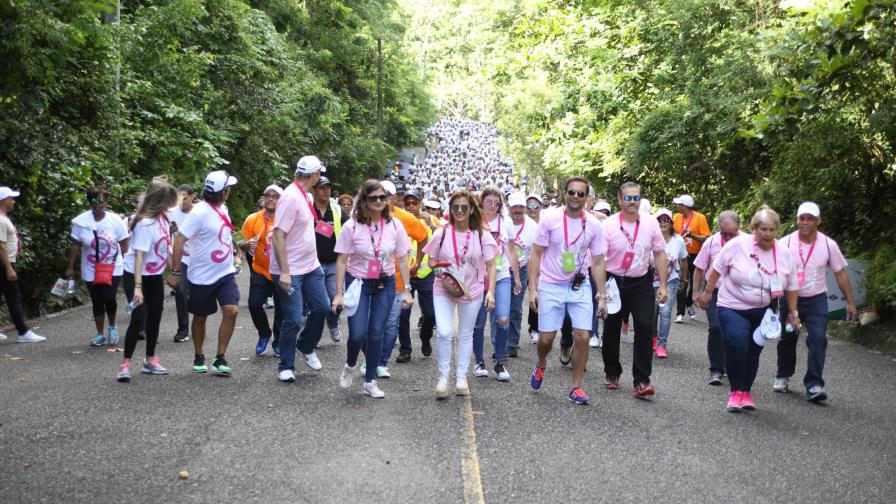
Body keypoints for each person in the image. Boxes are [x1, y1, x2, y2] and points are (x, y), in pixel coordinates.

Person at [696, 205, 800, 413]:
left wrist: (792, 314)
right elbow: (716, 269)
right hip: (731, 305)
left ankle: (746, 392)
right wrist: (707, 293)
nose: (767, 234)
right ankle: (735, 392)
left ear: (777, 230)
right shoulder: (737, 246)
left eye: (772, 230)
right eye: (763, 229)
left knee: (753, 352)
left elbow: (791, 286)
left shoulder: (784, 253)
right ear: (754, 228)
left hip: (764, 311)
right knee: (738, 344)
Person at [528, 177, 608, 405]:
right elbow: (536, 253)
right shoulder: (550, 219)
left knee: (583, 336)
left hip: (579, 285)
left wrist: (602, 296)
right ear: (565, 194)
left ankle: (576, 387)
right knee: (546, 340)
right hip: (551, 285)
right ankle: (541, 364)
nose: (575, 197)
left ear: (586, 197)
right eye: (571, 192)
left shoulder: (593, 225)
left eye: (580, 194)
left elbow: (599, 261)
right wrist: (532, 288)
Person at [331, 180, 413, 398]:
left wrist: (407, 289)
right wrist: (338, 294)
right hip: (358, 282)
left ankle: (370, 381)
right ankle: (350, 364)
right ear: (364, 201)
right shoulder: (352, 226)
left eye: (381, 197)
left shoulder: (395, 225)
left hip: (384, 283)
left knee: (376, 333)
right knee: (357, 334)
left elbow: (403, 259)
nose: (378, 201)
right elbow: (341, 260)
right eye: (373, 198)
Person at [773, 202, 858, 402]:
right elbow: (775, 272)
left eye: (810, 218)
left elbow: (840, 273)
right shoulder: (784, 243)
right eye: (802, 218)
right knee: (787, 337)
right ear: (797, 220)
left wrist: (851, 302)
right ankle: (783, 375)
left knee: (818, 338)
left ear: (818, 221)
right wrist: (774, 299)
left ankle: (814, 384)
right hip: (788, 299)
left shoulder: (828, 244)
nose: (805, 222)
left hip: (816, 300)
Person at [422, 189, 498, 398]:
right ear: (451, 209)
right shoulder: (442, 233)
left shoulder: (481, 235)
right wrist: (437, 268)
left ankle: (461, 378)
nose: (460, 211)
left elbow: (491, 265)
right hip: (444, 287)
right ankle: (443, 378)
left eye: (464, 207)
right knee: (445, 332)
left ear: (472, 208)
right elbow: (431, 260)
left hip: (471, 290)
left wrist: (490, 291)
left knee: (466, 334)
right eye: (456, 207)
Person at [169, 170, 241, 376]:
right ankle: (199, 355)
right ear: (224, 192)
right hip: (201, 276)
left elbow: (226, 234)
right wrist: (175, 272)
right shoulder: (198, 213)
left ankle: (220, 357)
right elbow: (180, 239)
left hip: (225, 273)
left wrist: (237, 251)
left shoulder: (223, 209)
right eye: (229, 189)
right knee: (200, 317)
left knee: (232, 311)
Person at [601, 182, 668, 398]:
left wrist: (664, 285)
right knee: (611, 329)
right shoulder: (609, 225)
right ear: (620, 200)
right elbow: (599, 259)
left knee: (645, 327)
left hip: (641, 282)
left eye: (636, 198)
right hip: (614, 281)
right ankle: (612, 371)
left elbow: (659, 253)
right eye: (628, 198)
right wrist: (601, 291)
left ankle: (642, 379)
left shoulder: (650, 223)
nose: (632, 202)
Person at [268, 156, 331, 382]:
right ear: (313, 175)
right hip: (291, 270)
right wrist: (285, 271)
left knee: (323, 308)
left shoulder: (306, 195)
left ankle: (305, 345)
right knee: (293, 318)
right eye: (318, 174)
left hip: (311, 266)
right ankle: (286, 365)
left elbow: (307, 226)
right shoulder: (290, 197)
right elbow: (278, 235)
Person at [117, 181, 178, 382]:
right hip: (136, 275)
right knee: (138, 318)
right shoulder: (145, 223)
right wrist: (137, 287)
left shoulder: (163, 219)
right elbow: (139, 257)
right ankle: (125, 364)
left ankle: (150, 360)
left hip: (154, 276)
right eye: (168, 200)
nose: (171, 204)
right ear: (159, 201)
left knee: (155, 317)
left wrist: (175, 271)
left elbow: (164, 248)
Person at [65, 186, 129, 347]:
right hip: (91, 266)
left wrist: (129, 265)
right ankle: (100, 333)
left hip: (113, 265)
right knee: (97, 300)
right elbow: (75, 245)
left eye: (101, 200)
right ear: (89, 202)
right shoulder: (80, 222)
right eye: (93, 200)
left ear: (106, 202)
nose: (97, 204)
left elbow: (124, 244)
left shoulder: (116, 221)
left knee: (109, 296)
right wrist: (70, 267)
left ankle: (112, 326)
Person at [472, 186, 522, 381]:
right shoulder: (474, 220)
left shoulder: (505, 222)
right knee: (479, 322)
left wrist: (516, 277)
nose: (492, 206)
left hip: (501, 274)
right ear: (481, 202)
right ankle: (479, 361)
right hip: (478, 276)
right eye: (488, 202)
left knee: (503, 319)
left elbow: (511, 250)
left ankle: (500, 362)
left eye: (496, 203)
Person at [379, 180, 428, 363]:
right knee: (371, 325)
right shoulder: (365, 214)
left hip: (399, 279)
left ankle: (382, 360)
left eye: (385, 195)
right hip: (371, 278)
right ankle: (373, 358)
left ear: (394, 198)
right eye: (377, 194)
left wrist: (416, 262)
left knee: (392, 323)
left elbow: (423, 238)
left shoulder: (404, 218)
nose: (380, 199)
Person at [692, 211, 741, 385]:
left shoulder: (748, 242)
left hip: (738, 294)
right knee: (716, 328)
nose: (728, 237)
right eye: (724, 233)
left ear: (739, 228)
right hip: (714, 291)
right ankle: (716, 369)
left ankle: (729, 365)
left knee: (734, 331)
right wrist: (696, 292)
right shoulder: (712, 241)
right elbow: (699, 268)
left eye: (731, 234)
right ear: (718, 228)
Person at [239, 185, 283, 357]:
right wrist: (244, 244)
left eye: (275, 196)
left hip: (282, 272)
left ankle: (278, 342)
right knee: (254, 304)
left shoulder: (287, 219)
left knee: (282, 309)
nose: (270, 198)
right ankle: (264, 333)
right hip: (260, 269)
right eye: (268, 195)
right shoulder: (252, 219)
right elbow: (238, 240)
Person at [0, 187, 45, 343]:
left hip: (5, 263)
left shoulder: (3, 218)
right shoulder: (1, 220)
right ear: (4, 200)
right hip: (4, 264)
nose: (13, 201)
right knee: (14, 297)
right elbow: (1, 246)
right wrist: (8, 268)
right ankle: (23, 332)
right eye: (11, 198)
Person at [309, 176, 349, 344]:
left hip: (334, 262)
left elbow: (350, 229)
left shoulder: (338, 211)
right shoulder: (307, 209)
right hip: (312, 263)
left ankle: (333, 323)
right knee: (318, 304)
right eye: (320, 187)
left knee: (336, 299)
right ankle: (315, 335)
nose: (325, 190)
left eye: (327, 187)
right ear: (314, 190)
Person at [653, 208, 688, 358]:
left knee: (665, 312)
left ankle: (662, 345)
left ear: (671, 223)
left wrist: (684, 279)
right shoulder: (651, 238)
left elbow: (684, 260)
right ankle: (653, 339)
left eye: (666, 220)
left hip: (671, 280)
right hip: (651, 281)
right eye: (659, 220)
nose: (662, 222)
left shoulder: (678, 240)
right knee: (652, 313)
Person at [507, 192, 537, 357]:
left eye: (521, 206)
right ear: (508, 207)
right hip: (502, 269)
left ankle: (512, 342)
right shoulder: (502, 222)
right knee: (499, 307)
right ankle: (500, 340)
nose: (517, 210)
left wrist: (536, 276)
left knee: (516, 307)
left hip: (523, 268)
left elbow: (537, 253)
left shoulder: (532, 226)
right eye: (514, 206)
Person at [673, 194, 710, 323]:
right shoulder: (676, 217)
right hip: (681, 255)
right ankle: (680, 313)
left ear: (685, 206)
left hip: (696, 255)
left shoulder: (700, 218)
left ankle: (689, 302)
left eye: (679, 204)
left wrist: (692, 235)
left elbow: (706, 238)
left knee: (695, 283)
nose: (677, 206)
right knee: (683, 281)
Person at [167, 184, 194, 343]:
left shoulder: (199, 213)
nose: (182, 201)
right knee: (181, 289)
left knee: (198, 293)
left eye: (185, 197)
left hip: (198, 257)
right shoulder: (171, 213)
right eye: (179, 197)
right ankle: (183, 329)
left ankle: (198, 323)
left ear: (192, 197)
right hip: (181, 256)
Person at [525, 194, 543, 345]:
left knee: (536, 296)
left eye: (535, 206)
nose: (532, 209)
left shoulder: (544, 224)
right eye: (529, 207)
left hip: (539, 266)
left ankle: (535, 329)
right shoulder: (520, 224)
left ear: (540, 207)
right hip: (521, 265)